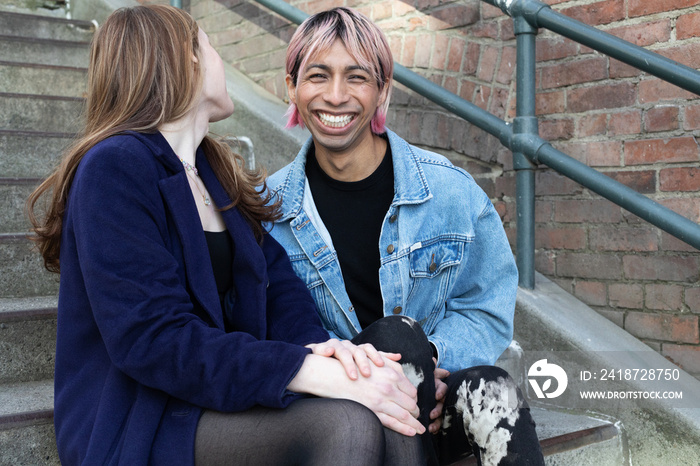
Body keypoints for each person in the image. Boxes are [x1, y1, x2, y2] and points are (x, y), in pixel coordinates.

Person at [26, 5, 431, 465]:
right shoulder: (114, 167)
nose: (220, 61)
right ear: (186, 60)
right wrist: (305, 370)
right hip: (147, 415)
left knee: (388, 373)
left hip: (218, 394)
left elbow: (277, 285)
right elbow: (154, 340)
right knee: (347, 422)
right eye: (211, 45)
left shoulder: (211, 169)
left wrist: (322, 347)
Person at [267, 7, 545, 465]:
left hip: (436, 404)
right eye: (318, 76)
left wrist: (430, 365)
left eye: (356, 78)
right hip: (334, 418)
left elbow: (485, 306)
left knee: (492, 389)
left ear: (382, 92)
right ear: (292, 87)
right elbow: (268, 332)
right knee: (399, 336)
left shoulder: (449, 192)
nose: (335, 96)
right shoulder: (267, 210)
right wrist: (382, 378)